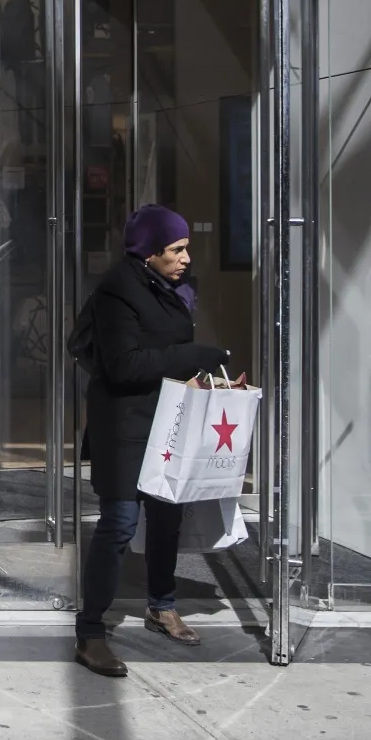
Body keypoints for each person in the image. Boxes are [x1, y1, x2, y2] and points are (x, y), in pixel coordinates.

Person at [72, 204, 230, 678]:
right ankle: (91, 632)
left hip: (167, 418)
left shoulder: (177, 289)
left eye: (186, 249)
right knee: (119, 523)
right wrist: (192, 356)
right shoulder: (117, 291)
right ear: (149, 252)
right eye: (176, 249)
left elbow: (162, 356)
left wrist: (193, 375)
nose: (185, 258)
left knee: (165, 517)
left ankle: (162, 606)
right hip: (122, 425)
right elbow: (124, 366)